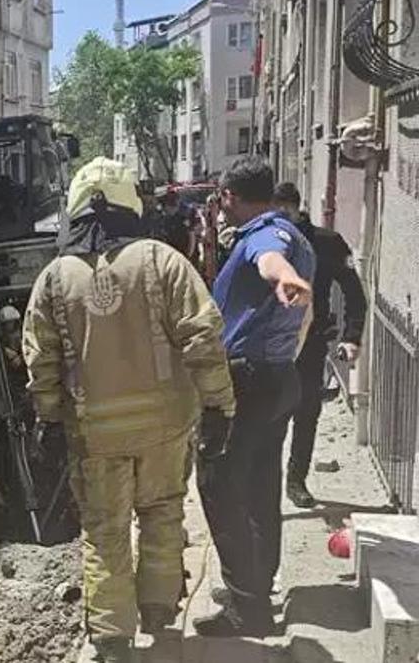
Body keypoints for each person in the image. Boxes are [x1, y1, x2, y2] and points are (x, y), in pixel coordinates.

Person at [22, 157, 235, 663]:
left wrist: (47, 418)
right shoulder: (163, 262)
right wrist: (219, 405)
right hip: (165, 429)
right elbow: (203, 337)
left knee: (104, 532)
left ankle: (113, 640)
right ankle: (159, 612)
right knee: (162, 514)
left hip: (94, 436)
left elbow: (40, 358)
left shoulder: (55, 278)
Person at [195, 157, 316, 637]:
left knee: (219, 484)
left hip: (247, 383)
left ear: (230, 195)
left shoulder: (266, 236)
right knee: (261, 487)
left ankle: (247, 607)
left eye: (221, 198)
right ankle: (256, 588)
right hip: (277, 378)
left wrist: (282, 277)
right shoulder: (295, 233)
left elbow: (270, 259)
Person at [271, 183, 368, 508]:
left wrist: (352, 337)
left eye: (285, 208)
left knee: (307, 413)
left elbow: (354, 292)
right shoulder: (266, 242)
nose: (281, 215)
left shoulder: (325, 243)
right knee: (270, 416)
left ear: (297, 208)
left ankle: (296, 480)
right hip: (271, 345)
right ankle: (266, 484)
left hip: (310, 343)